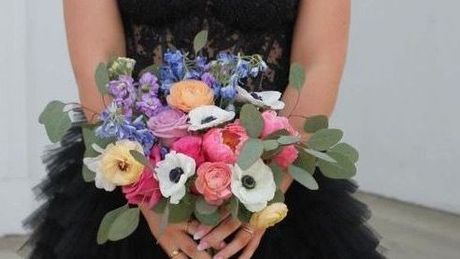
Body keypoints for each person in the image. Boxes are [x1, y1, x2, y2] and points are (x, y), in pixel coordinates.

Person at [24, 0, 384, 258]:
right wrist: (147, 195)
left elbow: (316, 63)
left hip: (275, 176)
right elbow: (98, 63)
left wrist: (262, 191)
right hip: (135, 172)